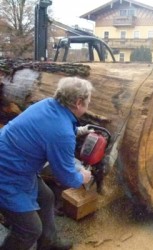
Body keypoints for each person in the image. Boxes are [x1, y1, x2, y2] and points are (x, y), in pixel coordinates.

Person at [0, 76, 94, 250]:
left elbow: (49, 129)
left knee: (46, 197)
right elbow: (66, 177)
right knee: (29, 230)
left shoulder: (48, 104)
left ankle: (48, 243)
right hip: (7, 174)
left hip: (14, 162)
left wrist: (78, 130)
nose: (88, 104)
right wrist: (82, 177)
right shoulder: (62, 133)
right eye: (88, 101)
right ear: (79, 102)